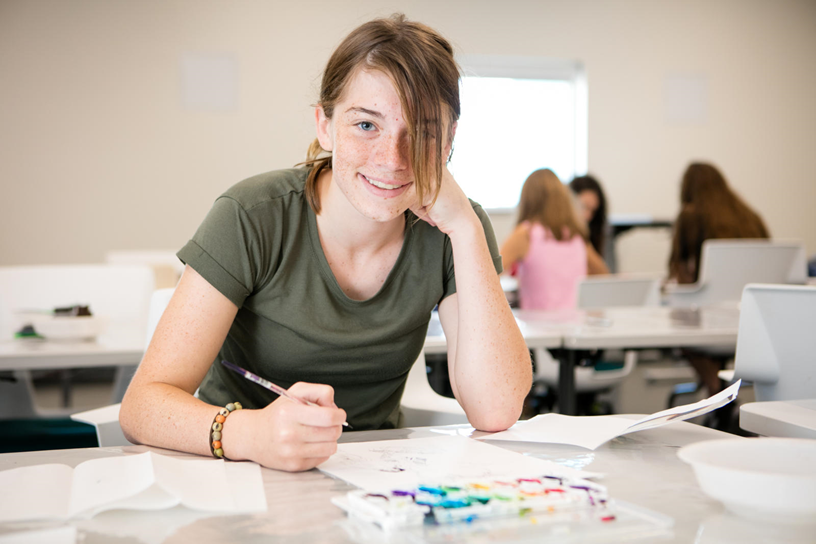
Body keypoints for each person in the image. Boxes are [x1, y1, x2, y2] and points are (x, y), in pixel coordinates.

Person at [119, 14, 531, 472]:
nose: (393, 160)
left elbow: (496, 410)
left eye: (423, 132)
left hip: (380, 480)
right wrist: (251, 433)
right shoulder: (252, 215)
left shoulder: (454, 229)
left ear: (450, 139)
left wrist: (467, 229)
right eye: (366, 125)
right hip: (237, 470)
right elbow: (141, 406)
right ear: (325, 125)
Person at [668, 162, 769, 395]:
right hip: (752, 325)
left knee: (679, 320)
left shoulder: (690, 215)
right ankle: (723, 400)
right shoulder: (751, 217)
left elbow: (682, 278)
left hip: (708, 326)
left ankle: (716, 391)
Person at [500, 169, 608, 311]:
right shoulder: (576, 235)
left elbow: (490, 272)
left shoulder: (526, 233)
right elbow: (603, 274)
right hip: (575, 325)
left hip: (538, 328)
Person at [569, 175, 609, 268]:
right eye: (584, 206)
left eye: (593, 211)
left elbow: (603, 274)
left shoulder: (589, 237)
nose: (588, 216)